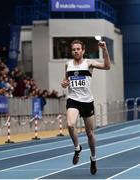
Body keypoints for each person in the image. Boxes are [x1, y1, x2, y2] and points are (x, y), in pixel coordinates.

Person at [61, 39, 111, 175]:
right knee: (70, 124)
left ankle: (93, 159)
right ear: (71, 51)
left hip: (87, 102)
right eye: (73, 49)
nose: (76, 51)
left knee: (90, 134)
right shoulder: (68, 64)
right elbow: (66, 80)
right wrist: (64, 83)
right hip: (73, 100)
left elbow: (107, 66)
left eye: (78, 49)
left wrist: (104, 49)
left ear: (83, 51)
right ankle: (77, 148)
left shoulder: (89, 63)